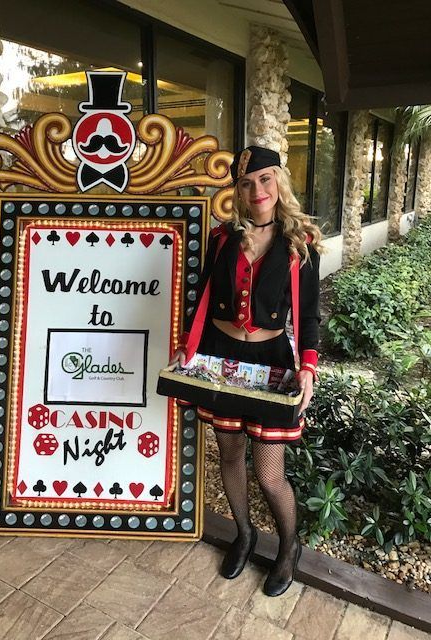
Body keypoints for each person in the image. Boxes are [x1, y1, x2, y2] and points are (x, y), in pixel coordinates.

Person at [169, 145, 323, 597]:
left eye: (265, 179)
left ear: (279, 183)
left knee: (269, 474)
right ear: (237, 190)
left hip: (271, 364)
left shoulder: (299, 244)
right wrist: (187, 349)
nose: (257, 190)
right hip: (220, 362)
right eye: (246, 182)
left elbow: (309, 316)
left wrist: (309, 368)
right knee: (230, 455)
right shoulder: (223, 238)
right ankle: (245, 534)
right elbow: (199, 302)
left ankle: (288, 547)